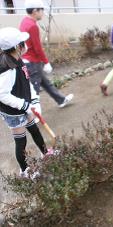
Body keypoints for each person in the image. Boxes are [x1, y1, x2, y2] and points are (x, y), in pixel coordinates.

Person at [0, 27, 48, 178]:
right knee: (21, 141)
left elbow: (26, 83)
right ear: (16, 47)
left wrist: (34, 100)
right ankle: (25, 170)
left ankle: (46, 153)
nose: (25, 44)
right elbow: (2, 95)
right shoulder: (7, 69)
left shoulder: (18, 60)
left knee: (34, 130)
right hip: (13, 111)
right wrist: (25, 106)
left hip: (24, 104)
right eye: (23, 42)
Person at [20, 0, 73, 108]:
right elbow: (37, 48)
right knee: (34, 91)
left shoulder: (24, 21)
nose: (43, 13)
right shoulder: (32, 26)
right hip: (32, 62)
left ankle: (61, 100)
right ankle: (31, 114)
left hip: (27, 59)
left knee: (45, 82)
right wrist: (46, 62)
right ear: (35, 11)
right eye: (42, 10)